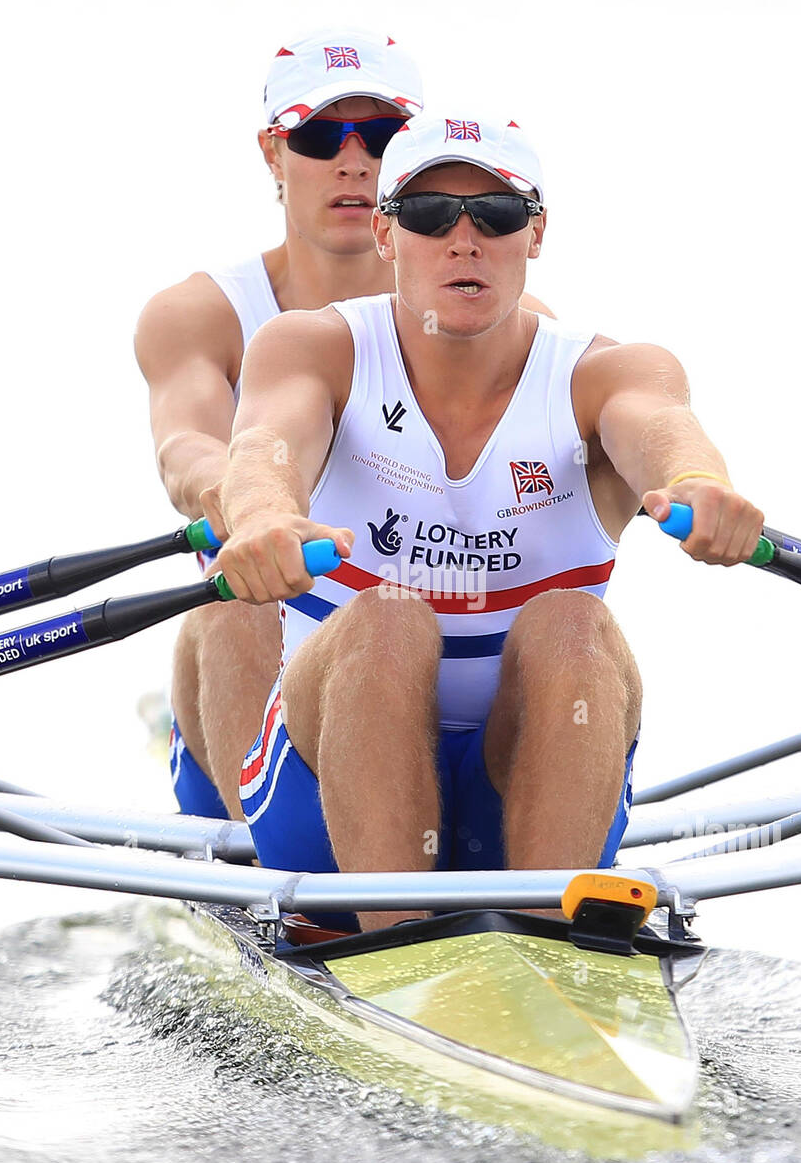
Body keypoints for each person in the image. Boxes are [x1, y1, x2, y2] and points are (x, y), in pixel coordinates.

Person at [213, 113, 764, 931]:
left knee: (575, 624)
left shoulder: (607, 370)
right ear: (386, 233)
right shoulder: (312, 350)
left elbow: (661, 429)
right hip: (322, 799)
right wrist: (261, 516)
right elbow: (265, 448)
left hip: (530, 774)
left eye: (496, 216)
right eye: (432, 214)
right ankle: (396, 947)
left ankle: (550, 948)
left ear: (535, 234)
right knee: (390, 622)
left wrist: (698, 484)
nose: (463, 240)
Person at [135, 31, 551, 822]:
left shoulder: (519, 326)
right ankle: (266, 865)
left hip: (406, 649)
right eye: (323, 135)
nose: (354, 161)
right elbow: (183, 446)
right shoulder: (199, 314)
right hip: (263, 638)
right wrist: (238, 495)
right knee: (239, 599)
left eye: (383, 135)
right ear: (273, 152)